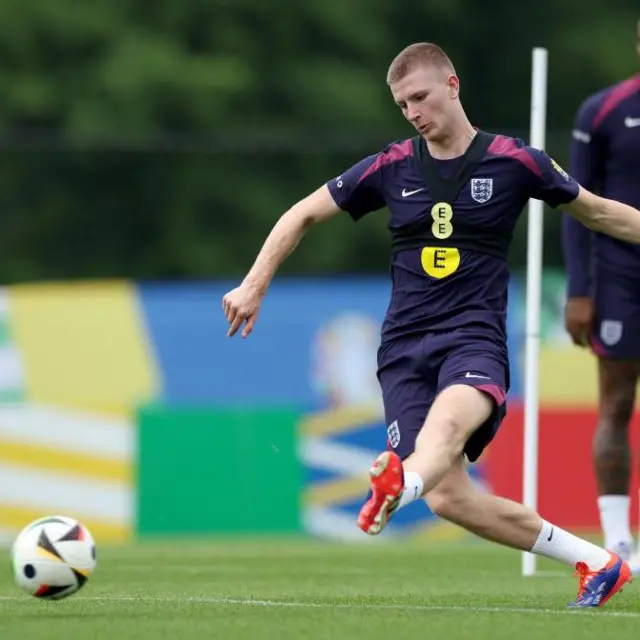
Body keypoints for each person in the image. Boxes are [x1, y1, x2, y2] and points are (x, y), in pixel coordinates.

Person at [222, 42, 640, 608]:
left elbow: (599, 211)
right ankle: (597, 562)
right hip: (401, 350)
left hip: (474, 340)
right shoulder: (391, 166)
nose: (413, 112)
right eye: (401, 105)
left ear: (452, 86)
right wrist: (253, 283)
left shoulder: (517, 162)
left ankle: (399, 484)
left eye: (419, 97)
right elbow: (302, 213)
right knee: (452, 502)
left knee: (441, 435)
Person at [562, 20, 640, 568]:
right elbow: (576, 204)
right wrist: (578, 289)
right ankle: (618, 540)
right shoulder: (604, 110)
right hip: (620, 277)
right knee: (616, 403)